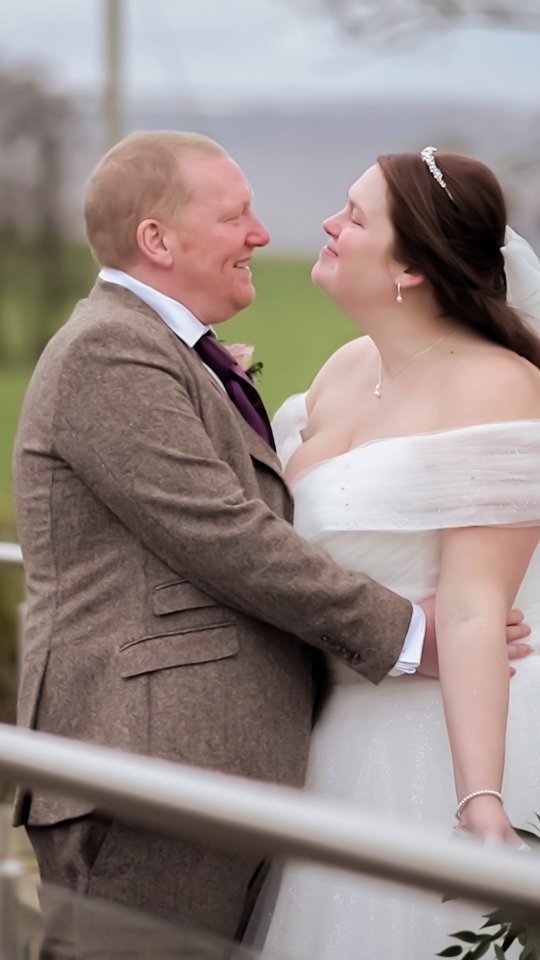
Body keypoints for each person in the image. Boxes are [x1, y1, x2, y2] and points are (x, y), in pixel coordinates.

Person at [12, 130, 457, 950]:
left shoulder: (168, 351)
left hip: (205, 768)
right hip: (150, 771)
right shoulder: (110, 350)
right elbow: (227, 535)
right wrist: (413, 635)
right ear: (158, 240)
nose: (261, 235)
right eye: (237, 215)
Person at [249, 148, 540, 960]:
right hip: (331, 726)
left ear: (409, 265)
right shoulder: (346, 368)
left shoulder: (495, 385)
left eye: (354, 215)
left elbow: (478, 604)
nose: (328, 225)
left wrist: (480, 798)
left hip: (433, 736)